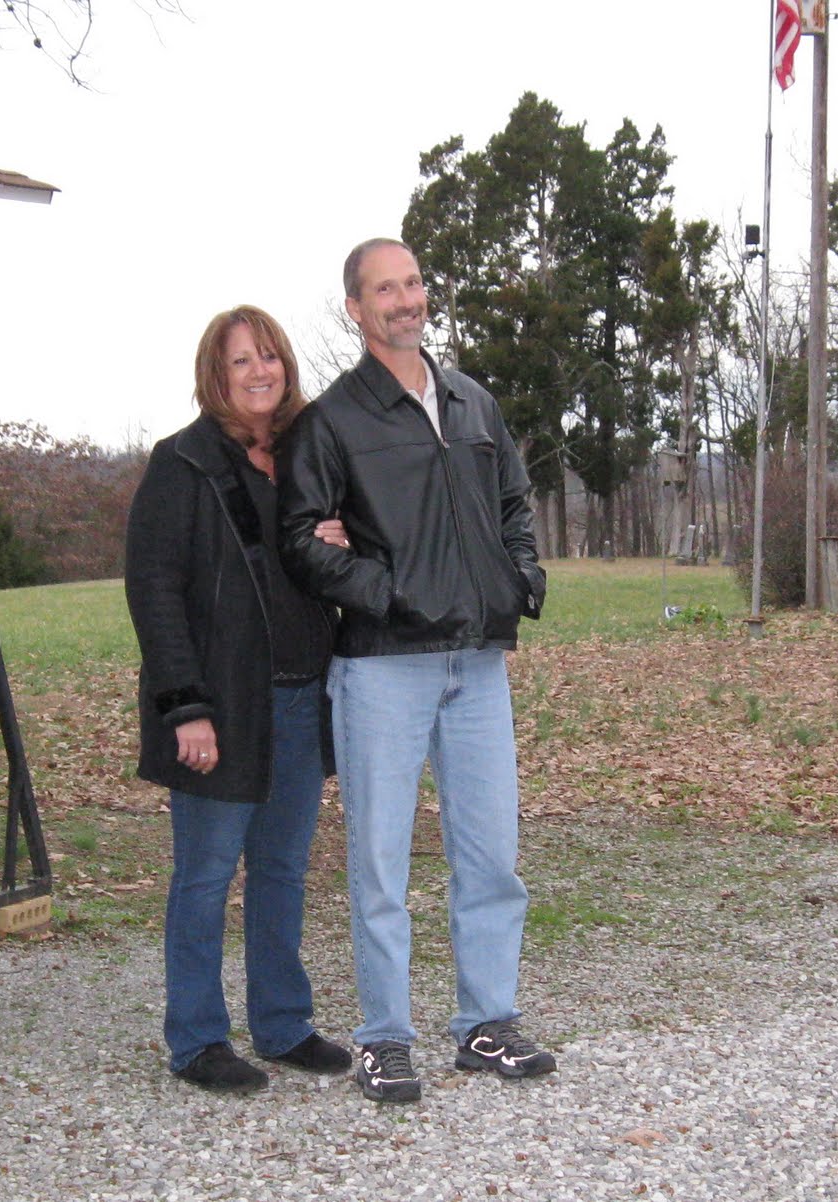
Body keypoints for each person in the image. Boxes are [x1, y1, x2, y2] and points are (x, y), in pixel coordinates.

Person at [278, 237, 554, 1104]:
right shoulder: (333, 420)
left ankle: (487, 1023)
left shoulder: (473, 402)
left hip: (478, 665)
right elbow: (300, 539)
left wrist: (521, 577)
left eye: (413, 283)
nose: (405, 300)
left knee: (492, 855)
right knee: (380, 865)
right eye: (384, 289)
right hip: (382, 669)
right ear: (355, 309)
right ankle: (385, 1039)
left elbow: (513, 504)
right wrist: (391, 595)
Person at [125, 305, 352, 1093]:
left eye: (269, 356)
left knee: (282, 871)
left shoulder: (305, 458)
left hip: (301, 698)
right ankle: (197, 1041)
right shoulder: (182, 463)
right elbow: (155, 591)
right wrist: (185, 706)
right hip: (222, 707)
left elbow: (324, 564)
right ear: (214, 376)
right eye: (241, 361)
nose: (260, 371)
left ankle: (283, 1025)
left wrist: (339, 544)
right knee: (205, 876)